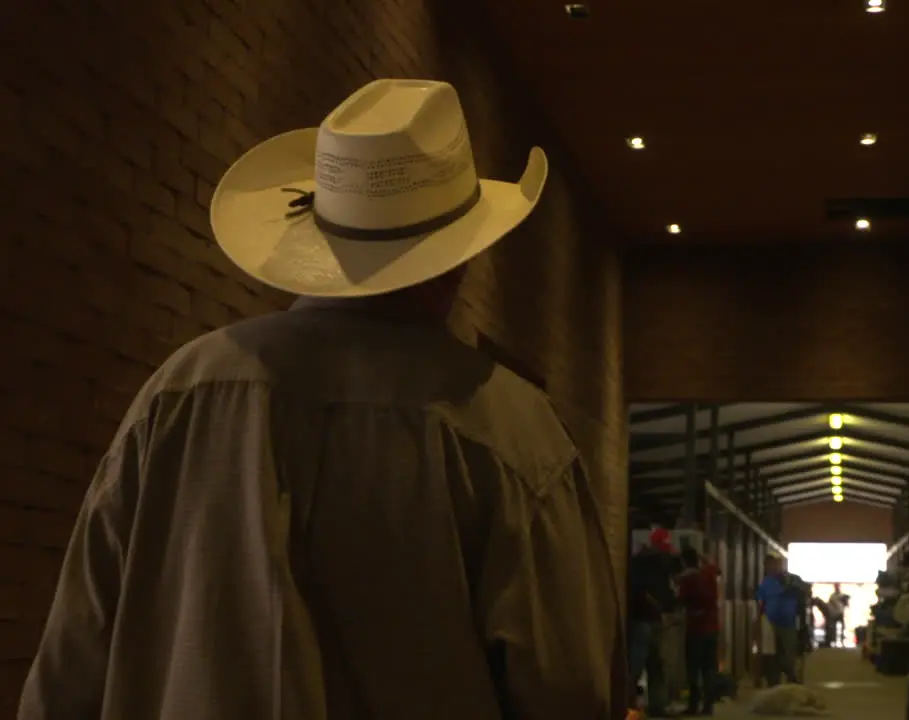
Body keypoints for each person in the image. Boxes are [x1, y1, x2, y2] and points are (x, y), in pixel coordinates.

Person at [18, 79, 626, 720]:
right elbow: (570, 690)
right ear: (457, 259)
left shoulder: (178, 394)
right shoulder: (513, 433)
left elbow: (72, 662)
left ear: (318, 236)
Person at [630, 528, 680, 716]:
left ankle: (656, 705)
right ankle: (628, 703)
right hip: (644, 620)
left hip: (652, 621)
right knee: (640, 664)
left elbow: (665, 592)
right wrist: (661, 609)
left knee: (655, 664)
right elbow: (641, 592)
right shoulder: (645, 565)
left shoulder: (654, 564)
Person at [676, 546, 720, 716]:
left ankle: (693, 704)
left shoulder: (688, 580)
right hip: (712, 628)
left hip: (696, 629)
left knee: (693, 669)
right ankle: (708, 705)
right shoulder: (708, 574)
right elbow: (713, 566)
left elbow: (680, 601)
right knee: (709, 668)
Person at [756, 556, 801, 686]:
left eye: (774, 565)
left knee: (787, 652)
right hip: (771, 622)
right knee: (770, 654)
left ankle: (790, 675)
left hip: (787, 622)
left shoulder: (791, 580)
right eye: (769, 566)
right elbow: (761, 603)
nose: (772, 568)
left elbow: (800, 597)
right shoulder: (766, 583)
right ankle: (773, 679)